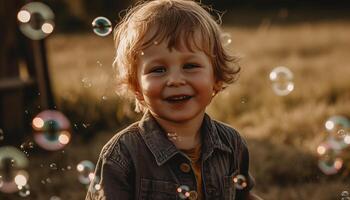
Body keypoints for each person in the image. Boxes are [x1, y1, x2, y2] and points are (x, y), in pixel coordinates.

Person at [86, 0, 263, 199]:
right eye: (158, 70)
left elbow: (243, 196)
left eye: (190, 66)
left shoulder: (232, 143)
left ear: (216, 78)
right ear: (137, 87)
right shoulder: (122, 155)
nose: (175, 80)